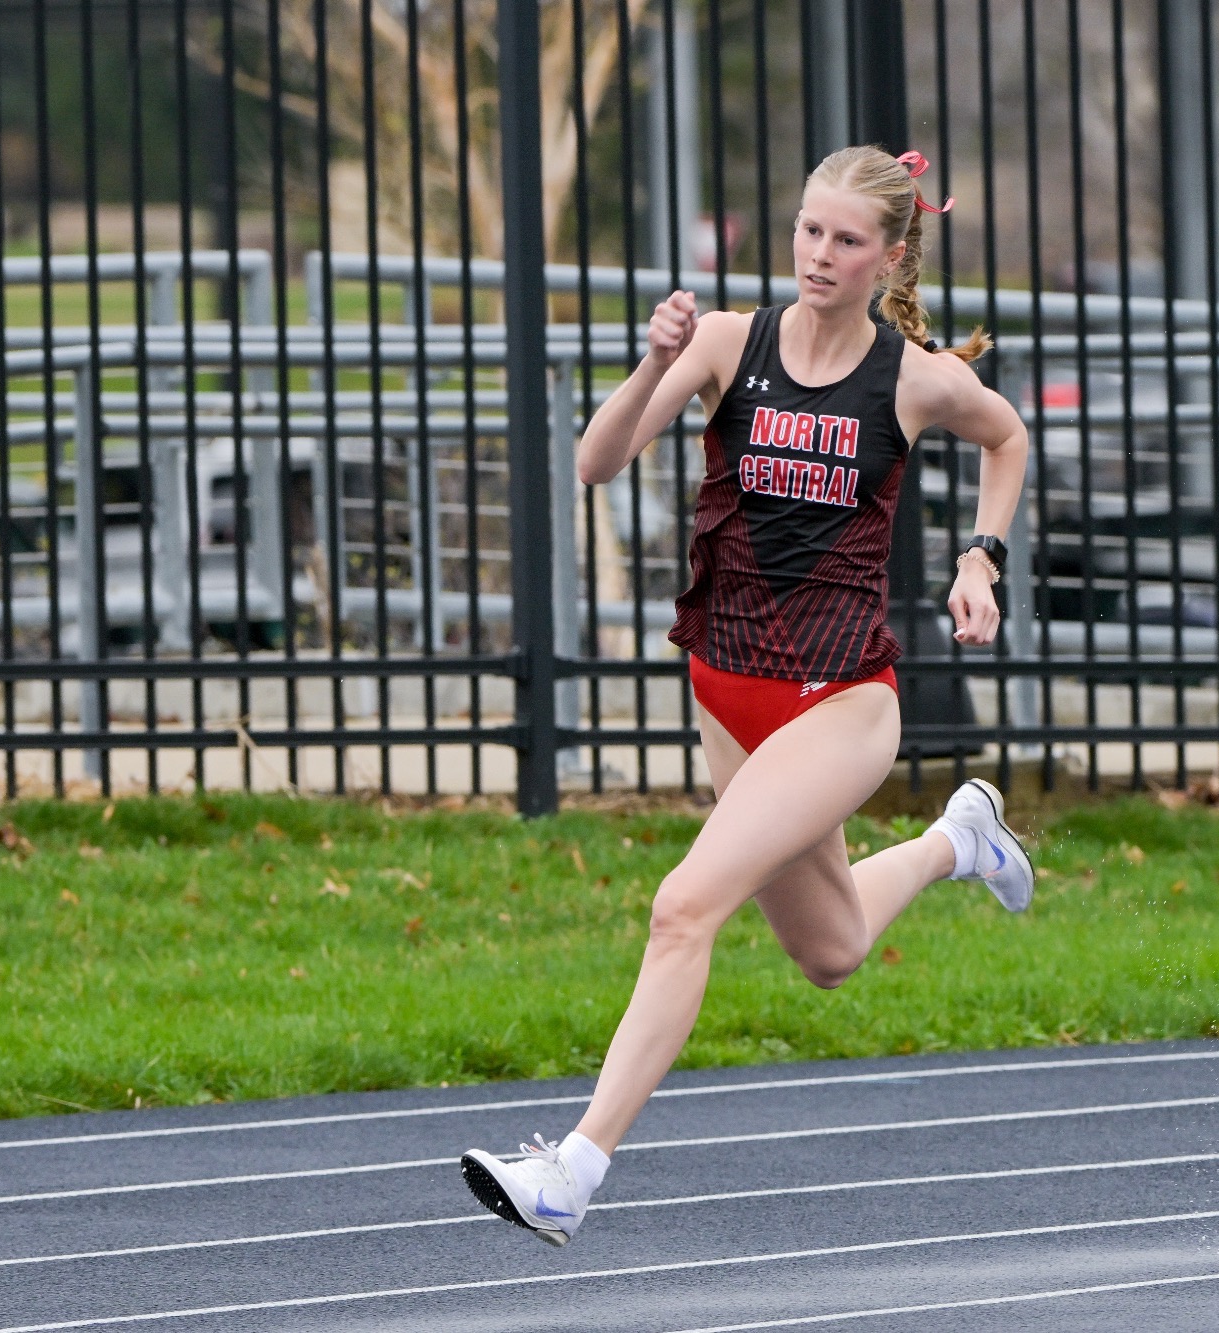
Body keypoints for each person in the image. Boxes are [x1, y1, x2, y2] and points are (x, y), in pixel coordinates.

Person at [459, 146, 1034, 1247]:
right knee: (827, 952)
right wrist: (649, 362)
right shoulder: (728, 340)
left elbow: (1003, 436)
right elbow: (595, 462)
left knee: (683, 905)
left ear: (889, 255)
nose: (820, 256)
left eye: (847, 240)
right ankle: (958, 841)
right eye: (808, 231)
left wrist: (978, 558)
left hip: (839, 703)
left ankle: (571, 1171)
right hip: (728, 690)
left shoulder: (911, 379)